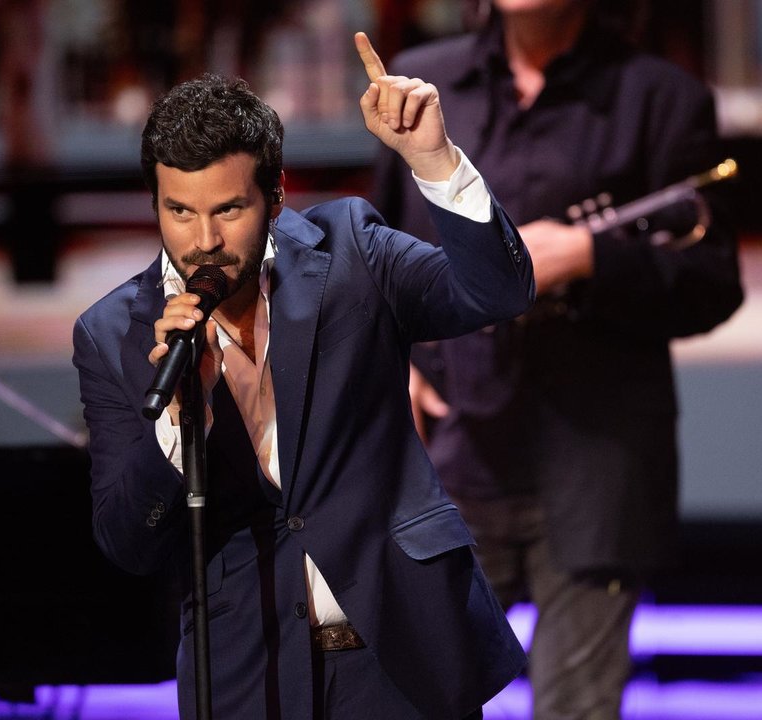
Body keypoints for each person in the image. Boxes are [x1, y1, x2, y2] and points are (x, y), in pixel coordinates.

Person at [72, 32, 532, 720]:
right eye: (179, 211)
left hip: (403, 659)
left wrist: (432, 161)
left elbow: (494, 294)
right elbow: (128, 541)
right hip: (248, 671)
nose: (202, 239)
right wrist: (177, 422)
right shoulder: (113, 334)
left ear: (276, 196)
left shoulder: (352, 251)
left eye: (228, 209)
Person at [371, 2, 745, 718]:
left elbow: (712, 283)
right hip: (450, 460)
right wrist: (401, 361)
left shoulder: (659, 96)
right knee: (414, 700)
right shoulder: (428, 85)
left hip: (595, 467)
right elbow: (377, 260)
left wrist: (588, 257)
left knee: (576, 709)